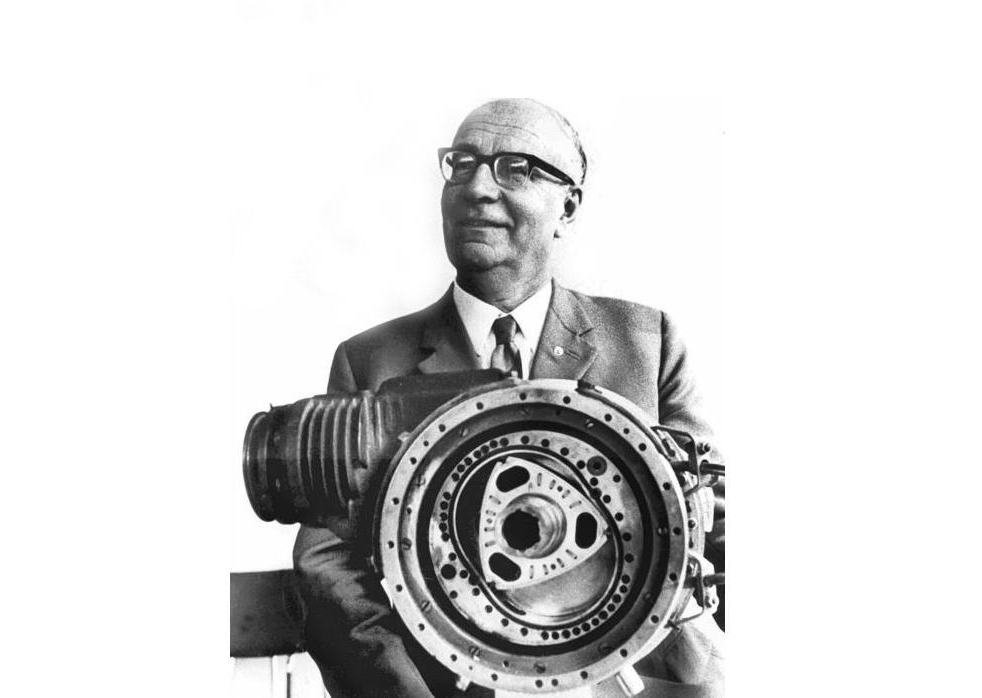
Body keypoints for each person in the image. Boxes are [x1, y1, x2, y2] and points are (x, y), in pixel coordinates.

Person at [293, 98, 725, 697]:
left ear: (567, 206)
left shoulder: (647, 342)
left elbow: (716, 522)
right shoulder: (370, 362)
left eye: (516, 168)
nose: (477, 188)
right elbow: (329, 567)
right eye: (462, 163)